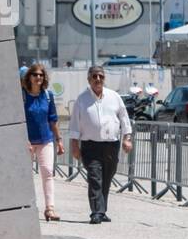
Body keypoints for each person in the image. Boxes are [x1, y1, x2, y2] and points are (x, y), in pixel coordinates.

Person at [68, 66, 133, 224]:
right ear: (89, 79)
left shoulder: (114, 96)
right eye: (94, 76)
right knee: (94, 178)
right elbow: (75, 125)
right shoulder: (82, 99)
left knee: (106, 178)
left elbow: (124, 118)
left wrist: (127, 138)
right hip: (90, 146)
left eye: (101, 76)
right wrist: (74, 146)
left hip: (111, 145)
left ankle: (102, 210)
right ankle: (96, 212)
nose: (98, 79)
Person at [22, 64, 63, 221]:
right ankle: (26, 206)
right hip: (27, 142)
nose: (38, 77)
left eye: (41, 75)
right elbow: (18, 120)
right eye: (35, 74)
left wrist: (59, 140)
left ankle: (50, 208)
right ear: (29, 77)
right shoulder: (23, 96)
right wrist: (22, 139)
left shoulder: (48, 96)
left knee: (47, 173)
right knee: (26, 174)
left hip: (46, 140)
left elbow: (53, 120)